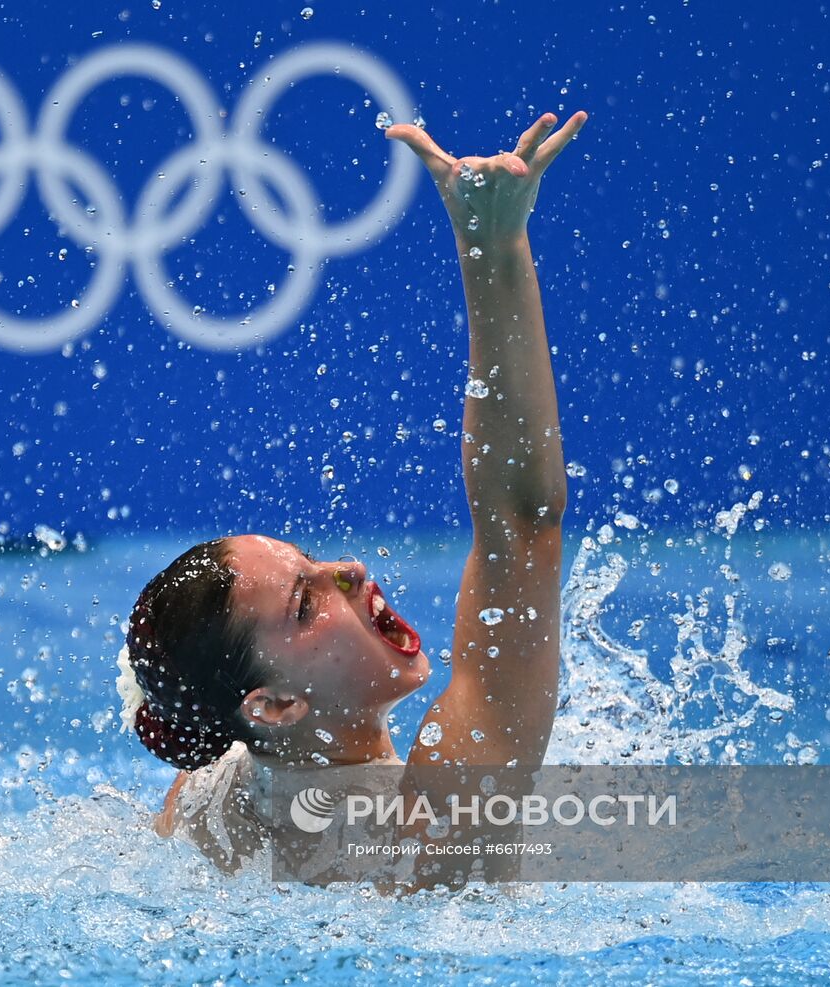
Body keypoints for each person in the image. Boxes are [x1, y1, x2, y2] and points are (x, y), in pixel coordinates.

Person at [115, 109, 588, 878]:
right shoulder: (435, 821)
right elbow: (525, 518)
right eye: (306, 601)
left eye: (310, 560)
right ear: (271, 705)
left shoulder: (204, 806)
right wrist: (492, 245)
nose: (351, 571)